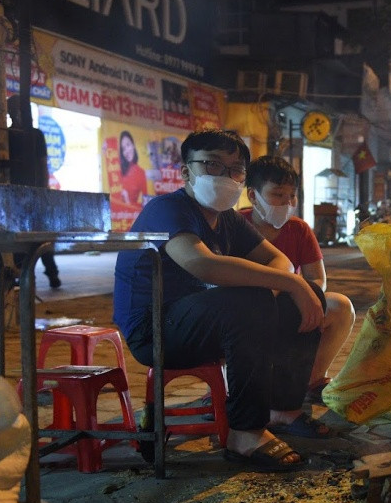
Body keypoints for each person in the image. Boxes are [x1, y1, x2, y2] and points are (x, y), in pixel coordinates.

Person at [113, 129, 330, 472]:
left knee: (302, 296)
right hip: (156, 330)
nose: (226, 177)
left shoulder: (227, 219)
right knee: (252, 301)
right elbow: (203, 263)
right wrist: (288, 284)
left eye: (235, 169)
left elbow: (279, 262)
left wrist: (293, 286)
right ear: (186, 172)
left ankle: (281, 409)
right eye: (213, 165)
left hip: (204, 319)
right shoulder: (167, 209)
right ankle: (244, 435)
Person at [240, 156, 356, 404]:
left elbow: (317, 280)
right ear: (252, 195)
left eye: (291, 196)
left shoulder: (299, 229)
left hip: (294, 307)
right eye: (278, 195)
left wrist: (299, 296)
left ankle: (312, 380)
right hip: (248, 313)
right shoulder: (237, 225)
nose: (287, 203)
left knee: (341, 306)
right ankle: (231, 382)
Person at [7, 96, 60, 288]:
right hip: (15, 196)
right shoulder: (8, 135)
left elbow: (42, 165)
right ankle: (27, 276)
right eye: (13, 110)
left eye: (18, 110)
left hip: (34, 194)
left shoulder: (36, 135)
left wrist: (43, 192)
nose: (16, 113)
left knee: (40, 238)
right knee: (22, 238)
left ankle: (51, 273)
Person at [118, 130, 149, 206]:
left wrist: (127, 200)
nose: (127, 151)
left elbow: (146, 204)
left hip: (131, 216)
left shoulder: (141, 173)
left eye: (128, 145)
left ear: (133, 145)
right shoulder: (118, 169)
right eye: (123, 149)